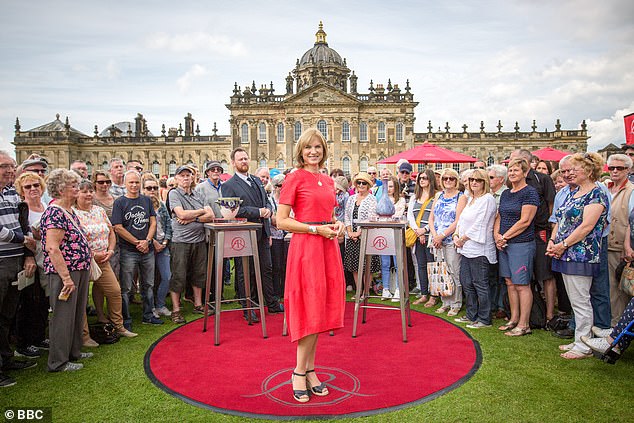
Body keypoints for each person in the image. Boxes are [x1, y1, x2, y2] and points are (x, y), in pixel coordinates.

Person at [276, 128, 345, 403]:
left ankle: (311, 370)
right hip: (306, 248)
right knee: (309, 308)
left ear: (323, 149)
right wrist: (316, 231)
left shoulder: (328, 180)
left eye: (317, 147)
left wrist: (337, 224)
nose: (313, 152)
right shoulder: (294, 178)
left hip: (327, 248)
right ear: (301, 151)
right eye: (308, 148)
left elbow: (328, 215)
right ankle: (298, 372)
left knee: (322, 310)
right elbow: (281, 221)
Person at [548, 153, 608, 359]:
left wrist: (562, 245)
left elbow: (586, 227)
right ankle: (579, 339)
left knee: (582, 301)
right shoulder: (574, 193)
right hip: (565, 252)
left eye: (574, 169)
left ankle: (584, 347)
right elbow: (560, 220)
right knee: (576, 300)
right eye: (566, 170)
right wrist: (553, 241)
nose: (568, 174)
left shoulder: (596, 194)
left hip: (581, 254)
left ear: (589, 171)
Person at [40, 169, 93, 372]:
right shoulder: (55, 212)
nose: (78, 189)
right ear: (61, 189)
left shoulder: (68, 210)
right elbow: (52, 247)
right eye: (73, 185)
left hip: (78, 268)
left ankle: (73, 352)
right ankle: (58, 362)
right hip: (66, 272)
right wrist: (66, 278)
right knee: (63, 316)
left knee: (76, 313)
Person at [221, 148, 284, 317]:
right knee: (244, 272)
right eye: (240, 159)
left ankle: (271, 303)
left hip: (263, 233)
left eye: (246, 158)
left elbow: (267, 201)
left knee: (266, 268)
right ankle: (247, 308)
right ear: (233, 163)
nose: (244, 161)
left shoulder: (256, 181)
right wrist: (258, 212)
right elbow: (233, 210)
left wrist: (268, 211)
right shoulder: (228, 185)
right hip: (243, 233)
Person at [73, 179, 136, 338]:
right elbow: (73, 240)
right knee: (80, 299)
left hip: (103, 259)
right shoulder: (72, 213)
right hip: (83, 261)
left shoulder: (99, 210)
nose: (88, 194)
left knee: (114, 291)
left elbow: (111, 232)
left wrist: (110, 250)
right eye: (84, 191)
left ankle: (118, 326)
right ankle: (84, 335)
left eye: (90, 191)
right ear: (76, 193)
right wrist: (92, 254)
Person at [0, 151, 38, 387]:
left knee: (6, 314)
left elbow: (23, 225)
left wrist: (27, 252)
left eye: (12, 166)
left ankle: (6, 359)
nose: (10, 170)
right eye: (5, 166)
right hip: (1, 261)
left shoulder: (12, 194)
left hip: (15, 260)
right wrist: (23, 240)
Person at [510, 149, 556, 329]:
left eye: (515, 161)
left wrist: (551, 231)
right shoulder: (512, 181)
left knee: (545, 274)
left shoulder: (542, 179)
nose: (512, 165)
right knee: (522, 277)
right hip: (519, 236)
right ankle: (527, 314)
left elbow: (551, 206)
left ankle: (550, 315)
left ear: (527, 162)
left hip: (539, 232)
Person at [494, 158, 539, 336]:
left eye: (516, 170)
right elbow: (499, 216)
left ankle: (524, 324)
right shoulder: (506, 193)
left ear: (525, 173)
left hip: (521, 243)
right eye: (510, 170)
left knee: (522, 284)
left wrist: (504, 236)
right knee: (509, 283)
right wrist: (496, 236)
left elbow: (525, 221)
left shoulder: (530, 193)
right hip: (504, 244)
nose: (512, 173)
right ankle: (514, 319)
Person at [111, 170, 161, 329]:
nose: (134, 185)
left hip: (147, 250)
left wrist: (146, 241)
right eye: (131, 182)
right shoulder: (119, 202)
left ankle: (148, 315)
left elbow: (153, 222)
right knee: (126, 287)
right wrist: (136, 243)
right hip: (128, 251)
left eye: (136, 182)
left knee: (148, 284)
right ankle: (126, 319)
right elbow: (118, 227)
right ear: (125, 184)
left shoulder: (146, 200)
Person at [167, 165, 215, 324]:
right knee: (178, 276)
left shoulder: (198, 194)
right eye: (182, 175)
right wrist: (200, 212)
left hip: (199, 240)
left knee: (199, 274)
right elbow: (180, 214)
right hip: (181, 241)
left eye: (189, 175)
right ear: (176, 178)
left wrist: (192, 218)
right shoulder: (174, 193)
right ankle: (176, 310)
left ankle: (198, 304)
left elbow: (211, 215)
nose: (186, 178)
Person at [454, 169, 497, 328]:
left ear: (484, 182)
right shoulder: (471, 199)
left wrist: (463, 239)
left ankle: (485, 318)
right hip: (465, 248)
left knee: (480, 284)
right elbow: (461, 221)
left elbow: (481, 223)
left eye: (478, 180)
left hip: (480, 249)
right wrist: (456, 236)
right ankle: (471, 314)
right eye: (471, 180)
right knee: (467, 282)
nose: (474, 183)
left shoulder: (487, 199)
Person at [12, 172, 49, 359]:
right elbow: (24, 235)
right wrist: (29, 257)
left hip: (48, 258)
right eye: (28, 187)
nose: (33, 189)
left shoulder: (46, 206)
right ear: (21, 190)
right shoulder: (22, 208)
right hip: (31, 258)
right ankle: (23, 343)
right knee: (28, 301)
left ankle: (39, 337)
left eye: (36, 185)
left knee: (43, 300)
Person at [428, 168, 467, 316]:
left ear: (456, 180)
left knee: (453, 271)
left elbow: (458, 220)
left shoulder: (461, 197)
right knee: (441, 272)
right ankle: (445, 302)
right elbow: (431, 218)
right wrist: (435, 235)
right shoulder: (438, 195)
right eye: (445, 178)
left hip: (451, 239)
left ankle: (456, 303)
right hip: (437, 239)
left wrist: (443, 235)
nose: (448, 181)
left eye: (451, 178)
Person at [606, 153, 634, 326]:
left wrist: (628, 245)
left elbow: (632, 222)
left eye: (620, 168)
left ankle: (617, 327)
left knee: (620, 291)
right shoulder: (605, 188)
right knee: (609, 290)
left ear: (628, 170)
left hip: (622, 249)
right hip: (605, 245)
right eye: (611, 168)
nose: (615, 171)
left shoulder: (631, 191)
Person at [141, 176, 173, 318]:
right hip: (148, 247)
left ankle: (160, 304)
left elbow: (168, 226)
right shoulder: (140, 206)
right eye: (149, 188)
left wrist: (164, 242)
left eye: (155, 188)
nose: (152, 191)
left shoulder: (161, 205)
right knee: (149, 280)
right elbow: (141, 228)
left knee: (167, 277)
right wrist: (153, 242)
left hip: (163, 246)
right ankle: (150, 307)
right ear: (143, 190)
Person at [344, 172, 378, 292]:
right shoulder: (351, 198)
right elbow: (347, 216)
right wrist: (350, 232)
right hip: (351, 234)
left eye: (364, 183)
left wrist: (358, 233)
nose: (361, 185)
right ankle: (358, 290)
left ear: (368, 185)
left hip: (365, 235)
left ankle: (366, 291)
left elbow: (371, 217)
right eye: (359, 183)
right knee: (354, 266)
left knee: (366, 265)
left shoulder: (372, 199)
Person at [409, 169, 437, 307]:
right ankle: (424, 293)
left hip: (431, 236)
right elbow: (410, 216)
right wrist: (418, 231)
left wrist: (424, 230)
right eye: (420, 178)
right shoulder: (414, 197)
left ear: (430, 180)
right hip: (417, 236)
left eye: (425, 178)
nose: (421, 180)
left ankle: (434, 295)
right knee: (421, 265)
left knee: (432, 265)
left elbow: (435, 217)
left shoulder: (436, 196)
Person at [379, 176, 406, 302]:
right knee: (385, 263)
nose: (389, 189)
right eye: (387, 186)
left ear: (395, 187)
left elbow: (397, 216)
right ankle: (386, 288)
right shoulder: (380, 199)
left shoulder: (401, 200)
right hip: (383, 234)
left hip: (396, 234)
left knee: (397, 262)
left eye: (391, 186)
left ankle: (398, 289)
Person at [487, 164, 509, 318]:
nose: (488, 180)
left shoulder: (506, 194)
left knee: (502, 275)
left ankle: (502, 306)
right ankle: (493, 304)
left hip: (501, 238)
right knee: (491, 274)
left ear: (501, 179)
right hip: (488, 238)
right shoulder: (488, 195)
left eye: (491, 177)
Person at [269, 174, 287, 301]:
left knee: (285, 265)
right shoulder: (270, 200)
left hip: (287, 236)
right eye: (281, 185)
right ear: (275, 187)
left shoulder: (288, 200)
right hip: (275, 236)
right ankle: (276, 291)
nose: (283, 188)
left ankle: (284, 290)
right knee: (276, 265)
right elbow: (273, 220)